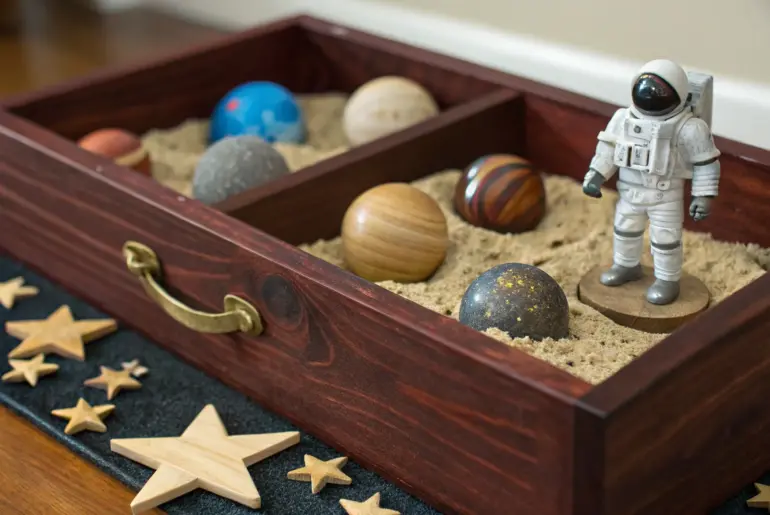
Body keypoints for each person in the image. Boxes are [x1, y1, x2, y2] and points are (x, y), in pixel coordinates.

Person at [582, 59, 721, 305]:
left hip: (665, 195)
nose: (650, 95)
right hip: (629, 192)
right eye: (645, 88)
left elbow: (706, 163)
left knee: (666, 239)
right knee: (624, 231)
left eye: (660, 91)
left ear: (679, 93)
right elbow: (607, 149)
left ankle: (668, 279)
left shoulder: (689, 128)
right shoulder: (622, 118)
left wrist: (703, 196)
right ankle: (626, 265)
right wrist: (596, 174)